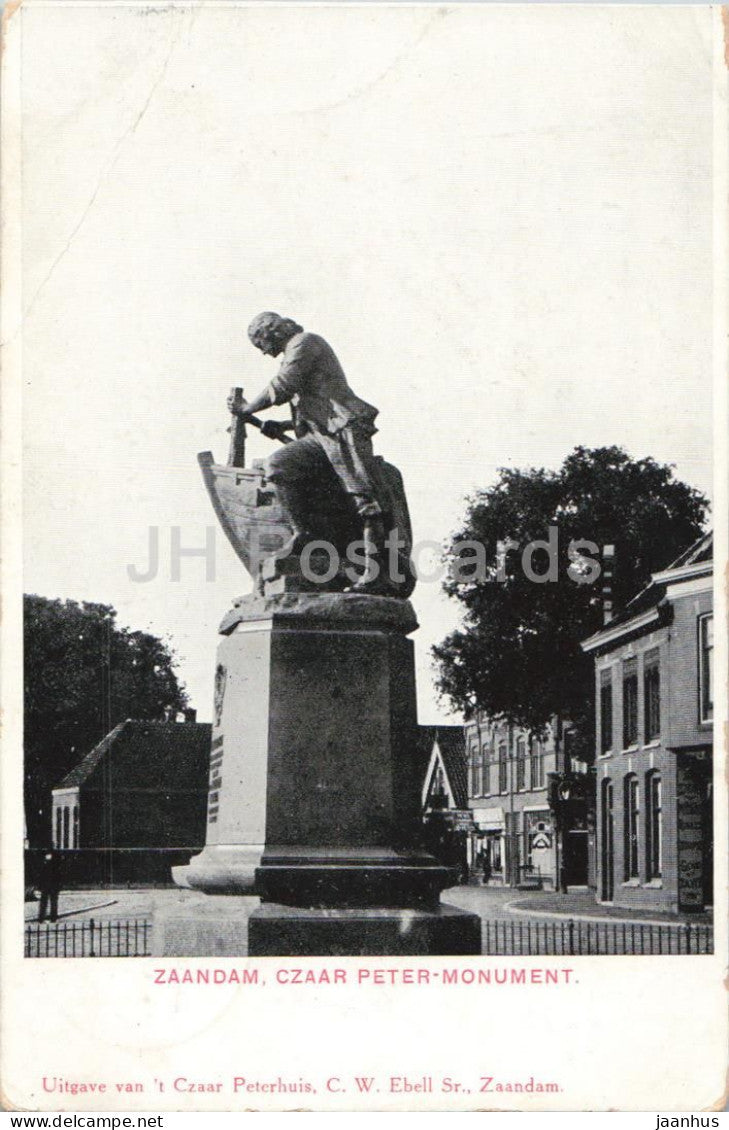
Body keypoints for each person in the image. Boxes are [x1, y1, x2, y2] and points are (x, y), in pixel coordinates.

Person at [229, 312, 386, 587]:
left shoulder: (305, 342)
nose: (265, 353)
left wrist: (247, 409)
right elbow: (313, 409)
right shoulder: (295, 347)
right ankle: (306, 534)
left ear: (272, 333)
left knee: (363, 499)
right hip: (320, 436)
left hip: (343, 431)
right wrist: (283, 425)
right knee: (279, 465)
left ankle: (375, 573)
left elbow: (284, 385)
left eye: (262, 345)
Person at [37, 849, 62, 923]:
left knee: (44, 901)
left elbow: (41, 874)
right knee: (53, 901)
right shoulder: (56, 863)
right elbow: (59, 875)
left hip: (46, 884)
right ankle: (53, 918)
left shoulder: (44, 863)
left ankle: (42, 918)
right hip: (53, 885)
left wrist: (40, 885)